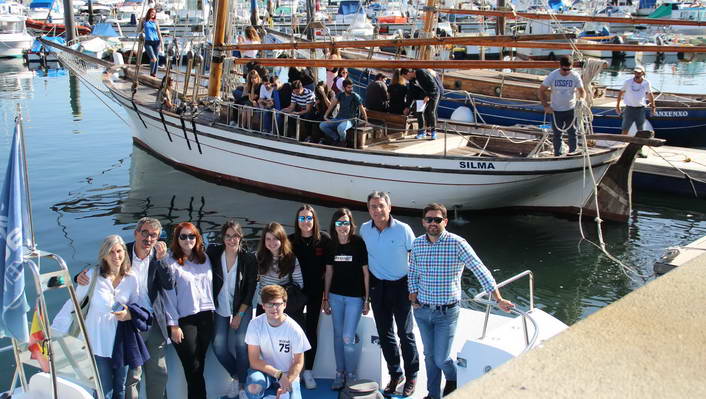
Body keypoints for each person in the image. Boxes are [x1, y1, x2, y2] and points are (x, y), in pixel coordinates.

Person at [408, 203, 514, 399]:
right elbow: (413, 271)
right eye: (429, 219)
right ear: (423, 222)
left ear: (445, 221)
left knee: (441, 358)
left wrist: (497, 298)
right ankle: (433, 395)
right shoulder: (417, 244)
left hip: (446, 313)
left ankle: (453, 377)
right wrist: (412, 294)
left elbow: (479, 269)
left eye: (437, 220)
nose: (433, 223)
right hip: (422, 310)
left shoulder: (457, 243)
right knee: (429, 357)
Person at [76, 218, 172, 399]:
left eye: (153, 235)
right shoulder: (121, 251)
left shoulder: (161, 256)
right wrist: (79, 277)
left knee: (158, 370)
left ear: (158, 237)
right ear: (136, 233)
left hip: (153, 319)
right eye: (144, 233)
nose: (148, 239)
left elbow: (169, 284)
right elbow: (100, 269)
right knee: (132, 375)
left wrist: (162, 261)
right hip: (128, 322)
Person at [54, 235, 141, 399]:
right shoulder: (91, 277)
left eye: (119, 251)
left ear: (124, 252)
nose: (116, 256)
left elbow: (136, 305)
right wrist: (56, 329)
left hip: (121, 342)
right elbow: (73, 304)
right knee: (103, 390)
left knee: (120, 388)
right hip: (98, 343)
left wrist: (127, 313)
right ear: (104, 255)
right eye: (111, 252)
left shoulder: (132, 278)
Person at [359, 191, 419, 397]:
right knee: (385, 334)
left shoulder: (404, 230)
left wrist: (414, 289)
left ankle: (412, 376)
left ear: (389, 207)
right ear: (368, 210)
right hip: (378, 287)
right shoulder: (365, 229)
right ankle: (396, 373)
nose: (377, 210)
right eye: (373, 207)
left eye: (380, 205)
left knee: (405, 333)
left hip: (402, 286)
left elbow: (416, 260)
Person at [207, 221, 258, 398]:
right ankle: (237, 375)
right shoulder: (213, 252)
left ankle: (242, 386)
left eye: (235, 236)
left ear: (240, 237)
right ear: (223, 237)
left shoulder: (248, 259)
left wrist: (239, 315)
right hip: (220, 307)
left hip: (241, 307)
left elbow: (250, 290)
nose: (231, 240)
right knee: (218, 346)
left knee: (241, 344)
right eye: (228, 236)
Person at [164, 222, 214, 399]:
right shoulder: (170, 261)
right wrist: (173, 325)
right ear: (177, 239)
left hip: (206, 317)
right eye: (183, 236)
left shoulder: (204, 258)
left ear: (197, 237)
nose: (188, 240)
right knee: (192, 367)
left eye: (191, 236)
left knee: (200, 364)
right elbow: (167, 295)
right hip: (184, 320)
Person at [322, 208, 370, 390]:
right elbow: (328, 272)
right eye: (339, 223)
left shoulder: (358, 243)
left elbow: (366, 273)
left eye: (346, 223)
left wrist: (366, 299)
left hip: (354, 298)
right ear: (334, 225)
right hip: (335, 296)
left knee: (348, 336)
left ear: (351, 225)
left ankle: (351, 374)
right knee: (337, 336)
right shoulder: (331, 245)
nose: (343, 227)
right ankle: (339, 373)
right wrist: (325, 298)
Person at [288, 205, 333, 389]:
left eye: (308, 218)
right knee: (293, 332)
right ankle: (294, 371)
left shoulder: (324, 240)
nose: (305, 222)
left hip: (316, 293)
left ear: (314, 220)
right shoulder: (290, 241)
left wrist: (326, 297)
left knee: (311, 331)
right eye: (302, 218)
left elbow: (329, 270)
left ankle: (308, 371)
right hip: (295, 294)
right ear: (297, 221)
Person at [243, 285, 311, 399]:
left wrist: (286, 381)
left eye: (278, 304)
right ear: (263, 306)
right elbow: (254, 361)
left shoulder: (295, 329)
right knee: (253, 387)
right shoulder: (255, 324)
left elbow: (299, 362)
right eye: (270, 304)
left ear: (284, 304)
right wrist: (278, 374)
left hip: (288, 373)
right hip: (264, 372)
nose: (274, 308)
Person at [255, 222, 304, 320]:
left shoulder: (291, 259)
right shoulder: (259, 256)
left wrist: (281, 297)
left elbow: (299, 284)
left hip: (280, 308)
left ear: (282, 239)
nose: (271, 242)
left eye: (275, 238)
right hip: (263, 305)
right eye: (268, 239)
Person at [538, 55, 586, 156]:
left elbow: (582, 91)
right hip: (556, 110)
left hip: (571, 109)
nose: (566, 72)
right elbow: (541, 90)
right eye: (564, 69)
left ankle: (573, 153)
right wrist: (546, 106)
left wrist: (581, 99)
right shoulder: (553, 75)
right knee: (557, 134)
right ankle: (557, 154)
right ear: (560, 66)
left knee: (573, 132)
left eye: (569, 69)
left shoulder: (575, 76)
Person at [320, 79, 368, 146]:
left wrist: (366, 120)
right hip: (339, 118)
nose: (351, 89)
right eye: (349, 87)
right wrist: (325, 115)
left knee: (341, 128)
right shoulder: (340, 94)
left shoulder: (355, 96)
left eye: (352, 87)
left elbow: (362, 108)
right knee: (322, 125)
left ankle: (343, 141)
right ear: (344, 87)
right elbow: (332, 105)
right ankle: (336, 138)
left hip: (350, 120)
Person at [616, 65, 657, 135]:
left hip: (640, 110)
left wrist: (653, 107)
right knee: (625, 128)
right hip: (629, 109)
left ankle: (639, 144)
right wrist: (617, 106)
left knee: (640, 130)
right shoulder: (628, 82)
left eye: (639, 73)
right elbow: (620, 93)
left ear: (643, 73)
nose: (636, 74)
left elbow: (650, 95)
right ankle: (623, 143)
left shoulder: (646, 83)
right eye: (635, 72)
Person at [402, 68, 441, 140]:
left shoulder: (422, 72)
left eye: (405, 77)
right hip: (423, 94)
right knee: (419, 111)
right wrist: (407, 106)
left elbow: (433, 86)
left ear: (407, 74)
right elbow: (411, 94)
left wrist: (428, 96)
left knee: (431, 112)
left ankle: (433, 132)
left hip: (434, 93)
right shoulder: (412, 80)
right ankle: (421, 132)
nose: (406, 79)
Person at [138, 8, 163, 77]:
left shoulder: (156, 21)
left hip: (156, 42)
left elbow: (159, 33)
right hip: (148, 42)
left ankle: (153, 74)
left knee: (156, 58)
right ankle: (152, 73)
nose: (153, 14)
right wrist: (140, 23)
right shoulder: (144, 20)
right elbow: (138, 30)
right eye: (152, 12)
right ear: (149, 12)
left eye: (154, 13)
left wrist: (162, 43)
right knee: (153, 58)